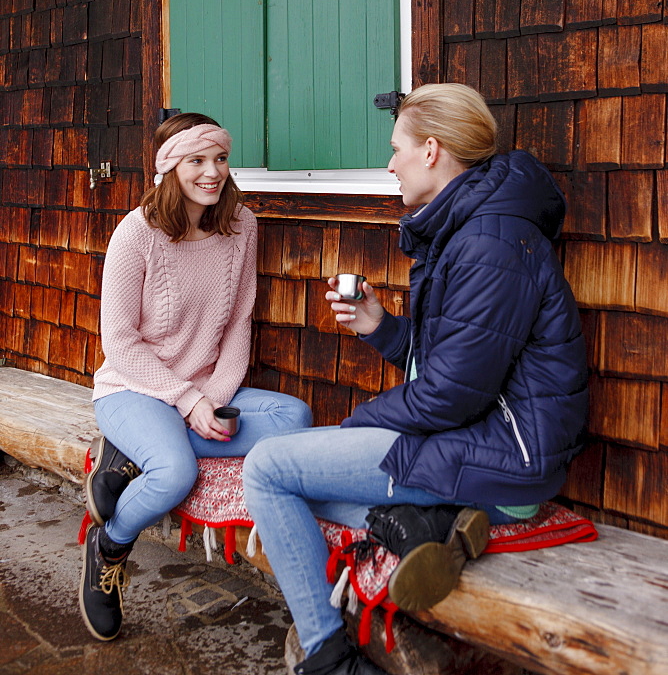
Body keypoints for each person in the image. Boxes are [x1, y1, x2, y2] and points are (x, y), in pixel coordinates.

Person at [243, 83, 588, 675]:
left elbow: (451, 394)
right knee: (302, 481)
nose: (389, 163)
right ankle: (424, 528)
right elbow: (455, 367)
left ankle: (329, 658)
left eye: (396, 148)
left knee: (268, 470)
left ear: (431, 150)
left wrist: (354, 424)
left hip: (508, 461)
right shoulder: (472, 227)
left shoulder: (491, 241)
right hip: (477, 440)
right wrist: (383, 329)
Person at [79, 112, 312, 642]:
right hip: (132, 388)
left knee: (294, 419)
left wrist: (212, 399)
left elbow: (236, 327)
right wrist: (188, 401)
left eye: (221, 159)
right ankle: (109, 545)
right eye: (197, 161)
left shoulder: (241, 226)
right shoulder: (136, 233)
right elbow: (120, 343)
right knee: (176, 474)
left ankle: (128, 456)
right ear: (169, 167)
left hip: (204, 388)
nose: (213, 173)